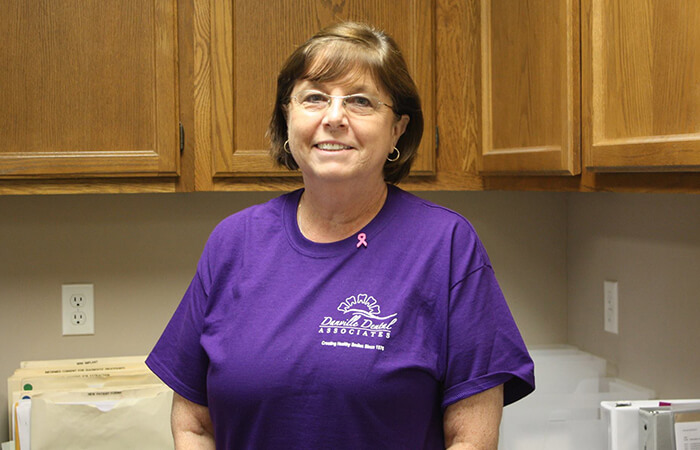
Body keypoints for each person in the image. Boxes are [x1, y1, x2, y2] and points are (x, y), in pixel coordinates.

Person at [147, 22, 534, 449]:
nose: (334, 117)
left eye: (360, 101)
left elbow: (472, 439)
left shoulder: (445, 246)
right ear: (287, 117)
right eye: (313, 98)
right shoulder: (233, 242)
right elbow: (194, 423)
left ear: (398, 129)